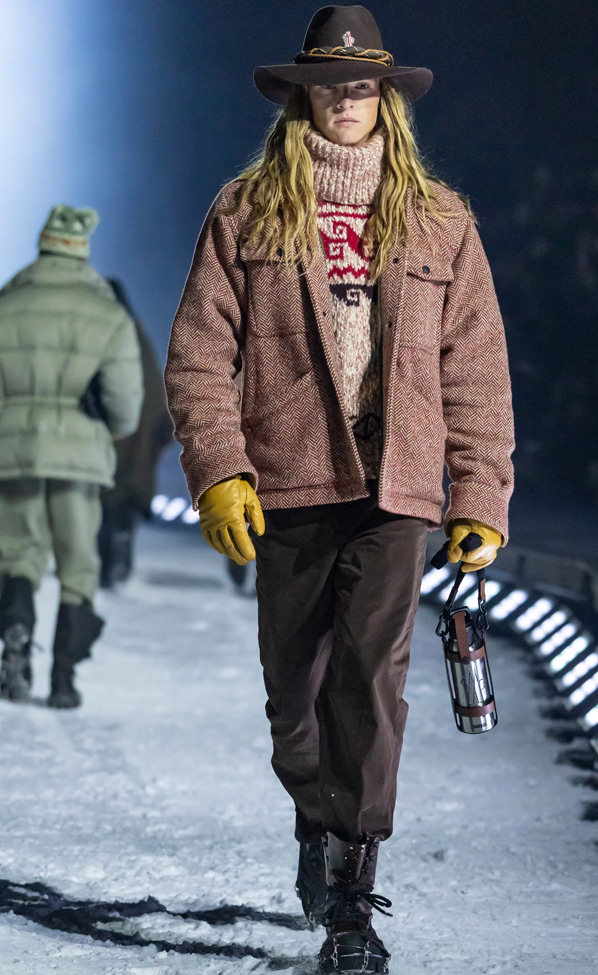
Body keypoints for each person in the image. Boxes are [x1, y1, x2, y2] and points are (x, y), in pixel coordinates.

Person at [165, 6, 514, 972]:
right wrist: (219, 469)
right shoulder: (246, 211)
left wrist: (480, 496)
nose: (347, 98)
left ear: (386, 97)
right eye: (330, 84)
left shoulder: (441, 218)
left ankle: (354, 898)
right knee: (296, 697)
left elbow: (476, 368)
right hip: (290, 483)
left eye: (362, 84)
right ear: (304, 97)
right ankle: (315, 823)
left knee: (372, 684)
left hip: (398, 488)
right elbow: (199, 356)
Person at [0, 206, 143, 708]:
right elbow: (125, 404)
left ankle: (16, 627)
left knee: (17, 552)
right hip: (80, 455)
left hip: (13, 450)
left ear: (43, 247)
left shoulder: (6, 304)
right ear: (81, 250)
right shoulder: (108, 314)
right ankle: (63, 679)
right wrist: (110, 427)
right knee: (78, 562)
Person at [98, 278, 173, 588]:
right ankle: (120, 553)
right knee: (123, 505)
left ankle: (107, 565)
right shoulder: (138, 335)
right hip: (139, 441)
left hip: (109, 436)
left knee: (102, 504)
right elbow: (156, 391)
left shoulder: (101, 333)